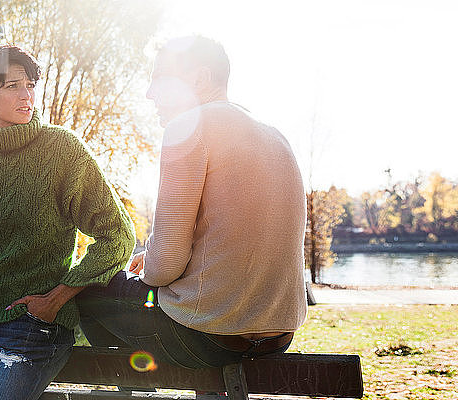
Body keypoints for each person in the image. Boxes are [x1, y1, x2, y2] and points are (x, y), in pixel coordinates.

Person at [77, 35, 307, 369]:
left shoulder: (189, 126)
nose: (149, 92)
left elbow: (166, 265)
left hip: (211, 339)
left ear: (198, 79)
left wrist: (152, 268)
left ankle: (130, 390)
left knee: (90, 289)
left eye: (160, 78)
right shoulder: (275, 135)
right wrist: (154, 258)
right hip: (278, 336)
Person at [0, 43, 135, 400]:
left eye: (30, 84)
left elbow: (117, 237)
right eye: (12, 86)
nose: (27, 95)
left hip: (29, 327)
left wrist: (56, 299)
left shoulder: (63, 151)